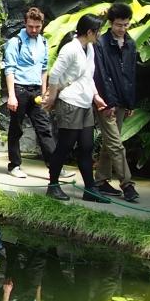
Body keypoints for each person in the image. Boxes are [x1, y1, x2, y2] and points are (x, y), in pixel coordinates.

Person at [43, 14, 107, 201]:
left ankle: (90, 189)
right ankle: (53, 185)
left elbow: (88, 76)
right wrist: (52, 96)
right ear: (90, 32)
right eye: (98, 31)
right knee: (65, 145)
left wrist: (96, 96)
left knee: (87, 146)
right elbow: (55, 74)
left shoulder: (90, 48)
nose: (99, 35)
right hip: (70, 102)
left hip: (85, 103)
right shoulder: (70, 48)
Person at [92, 2, 140, 203]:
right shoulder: (101, 44)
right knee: (116, 143)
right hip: (105, 101)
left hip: (122, 100)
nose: (122, 29)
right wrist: (108, 102)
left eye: (126, 24)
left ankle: (100, 180)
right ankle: (127, 184)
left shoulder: (130, 44)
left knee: (110, 142)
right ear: (111, 23)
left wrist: (129, 103)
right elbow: (100, 75)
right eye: (119, 25)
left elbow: (131, 75)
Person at [3, 6, 57, 179]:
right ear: (25, 23)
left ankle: (54, 166)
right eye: (30, 26)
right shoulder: (15, 42)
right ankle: (14, 165)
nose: (34, 30)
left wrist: (44, 92)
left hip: (36, 91)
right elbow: (9, 69)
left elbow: (44, 68)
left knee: (44, 128)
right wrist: (11, 95)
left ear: (42, 24)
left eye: (37, 27)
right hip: (19, 89)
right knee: (16, 128)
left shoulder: (43, 42)